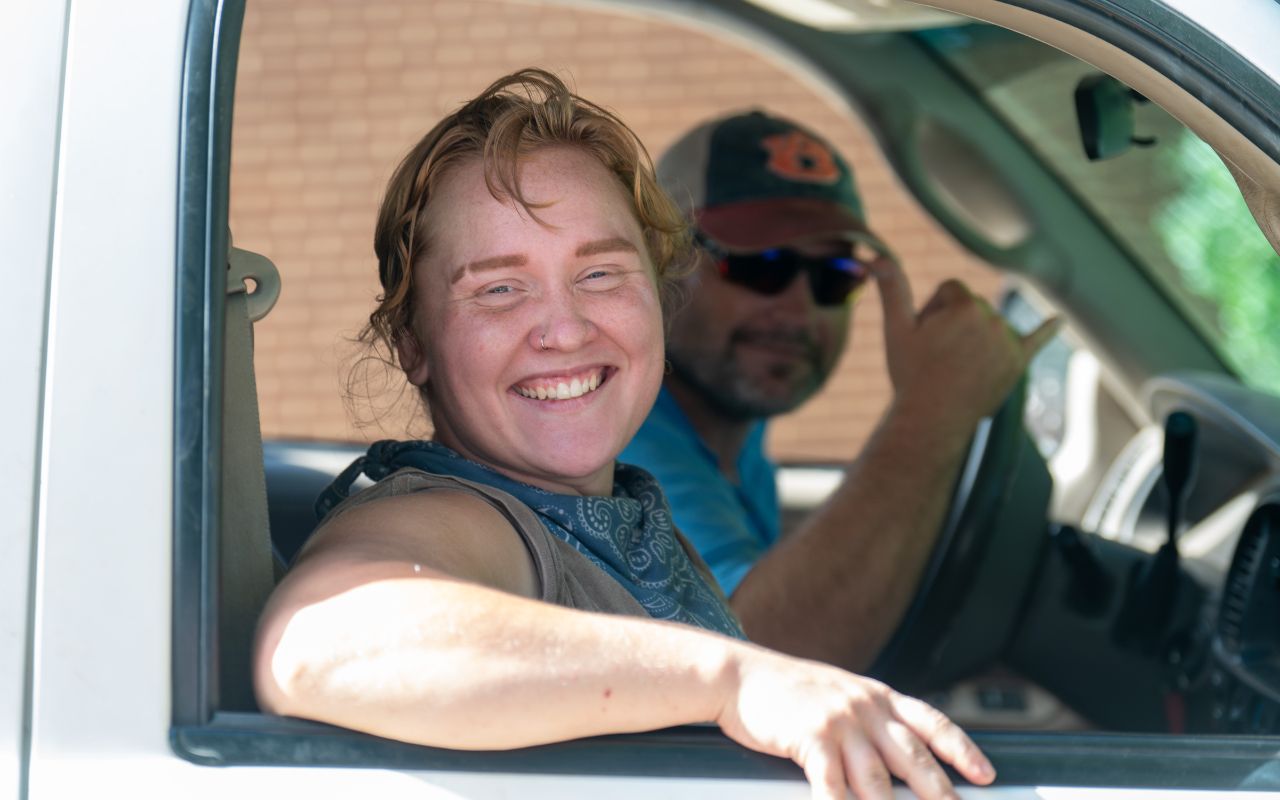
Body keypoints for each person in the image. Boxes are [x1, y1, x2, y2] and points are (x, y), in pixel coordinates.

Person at [252, 70, 996, 800]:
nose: (566, 329)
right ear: (415, 345)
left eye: (602, 274)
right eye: (499, 289)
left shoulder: (625, 509)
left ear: (660, 295)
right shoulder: (460, 517)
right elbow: (321, 643)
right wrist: (734, 678)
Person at [621, 111, 1057, 671]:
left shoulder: (730, 429)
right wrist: (932, 410)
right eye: (762, 266)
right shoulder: (621, 440)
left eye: (834, 276)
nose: (800, 307)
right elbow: (764, 667)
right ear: (662, 260)